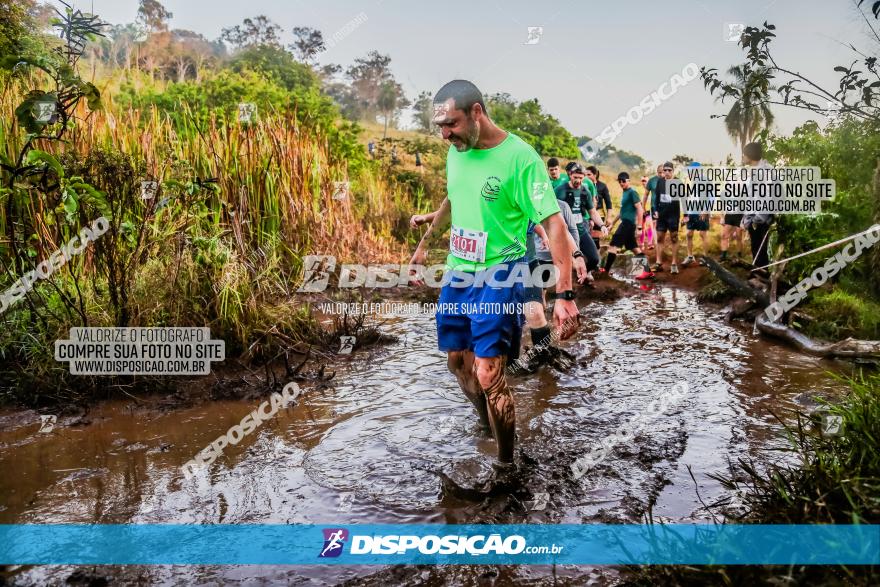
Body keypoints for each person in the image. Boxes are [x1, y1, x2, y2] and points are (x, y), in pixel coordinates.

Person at [409, 80, 579, 469]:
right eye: (439, 127)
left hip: (500, 274)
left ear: (477, 113)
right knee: (457, 364)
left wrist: (564, 296)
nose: (445, 134)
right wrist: (423, 245)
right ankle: (487, 424)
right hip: (458, 274)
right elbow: (454, 198)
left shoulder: (520, 158)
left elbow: (553, 225)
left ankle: (506, 464)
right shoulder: (457, 153)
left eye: (451, 124)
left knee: (488, 373)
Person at [555, 163, 608, 273]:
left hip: (580, 229)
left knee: (594, 259)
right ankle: (569, 282)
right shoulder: (560, 190)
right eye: (575, 177)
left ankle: (582, 275)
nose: (578, 180)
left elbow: (592, 211)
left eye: (580, 178)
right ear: (570, 175)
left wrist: (602, 225)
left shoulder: (585, 191)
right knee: (566, 261)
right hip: (564, 232)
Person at [603, 172, 653, 280]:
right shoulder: (625, 193)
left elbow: (639, 209)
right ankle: (647, 272)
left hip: (628, 224)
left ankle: (605, 271)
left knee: (613, 245)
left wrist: (639, 227)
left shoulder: (632, 192)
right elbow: (622, 211)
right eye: (620, 181)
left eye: (623, 181)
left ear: (628, 181)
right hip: (625, 222)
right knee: (634, 248)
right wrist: (612, 223)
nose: (621, 183)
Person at [740, 142, 774, 273]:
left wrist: (757, 218)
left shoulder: (766, 170)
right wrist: (745, 218)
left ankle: (762, 280)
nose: (743, 157)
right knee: (756, 249)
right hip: (753, 218)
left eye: (744, 154)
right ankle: (757, 277)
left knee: (761, 251)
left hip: (761, 219)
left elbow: (768, 196)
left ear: (750, 155)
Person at [651, 162, 681, 274]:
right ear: (663, 171)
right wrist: (655, 211)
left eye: (669, 170)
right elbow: (656, 198)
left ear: (673, 171)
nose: (667, 172)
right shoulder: (660, 182)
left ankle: (674, 264)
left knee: (674, 238)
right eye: (665, 170)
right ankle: (658, 263)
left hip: (673, 215)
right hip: (662, 215)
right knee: (659, 238)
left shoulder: (677, 182)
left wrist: (686, 215)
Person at [682, 162, 710, 267]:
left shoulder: (705, 180)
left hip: (702, 210)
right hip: (691, 211)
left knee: (703, 234)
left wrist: (706, 209)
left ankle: (705, 258)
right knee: (689, 234)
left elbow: (711, 196)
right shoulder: (690, 181)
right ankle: (690, 256)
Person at [585, 165, 612, 251]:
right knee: (586, 240)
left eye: (589, 175)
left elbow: (608, 203)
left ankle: (596, 262)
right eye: (585, 174)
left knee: (595, 241)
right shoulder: (583, 185)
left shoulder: (602, 186)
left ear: (595, 175)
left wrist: (609, 217)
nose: (586, 177)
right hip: (585, 215)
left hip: (598, 215)